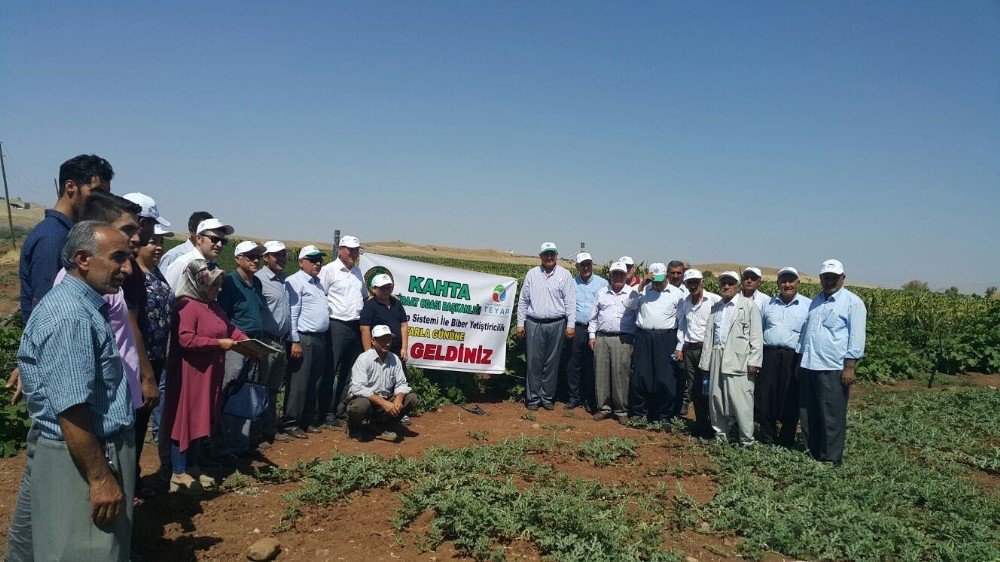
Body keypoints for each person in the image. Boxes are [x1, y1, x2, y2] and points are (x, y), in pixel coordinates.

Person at [7, 154, 113, 561]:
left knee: (39, 495)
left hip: (56, 363)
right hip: (61, 370)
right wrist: (32, 360)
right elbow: (53, 308)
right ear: (73, 186)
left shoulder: (65, 232)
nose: (100, 202)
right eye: (96, 191)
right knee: (50, 485)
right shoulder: (57, 238)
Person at [16, 221, 135, 560]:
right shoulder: (72, 317)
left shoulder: (82, 307)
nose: (125, 268)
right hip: (85, 457)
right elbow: (71, 409)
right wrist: (99, 478)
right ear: (83, 258)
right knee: (87, 551)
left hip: (85, 453)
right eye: (117, 258)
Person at [161, 260, 253, 491]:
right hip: (190, 373)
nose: (218, 290)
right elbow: (186, 339)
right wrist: (218, 343)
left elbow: (229, 328)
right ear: (198, 282)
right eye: (213, 285)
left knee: (200, 418)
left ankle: (192, 466)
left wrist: (246, 341)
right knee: (185, 417)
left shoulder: (212, 306)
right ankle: (178, 471)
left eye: (219, 285)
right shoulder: (186, 306)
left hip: (209, 372)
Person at [798, 259, 867, 465]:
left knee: (832, 415)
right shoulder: (816, 300)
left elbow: (856, 337)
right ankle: (814, 452)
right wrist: (800, 360)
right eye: (826, 277)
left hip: (833, 367)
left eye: (834, 278)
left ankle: (831, 458)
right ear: (820, 278)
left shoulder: (853, 302)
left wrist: (849, 367)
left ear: (842, 278)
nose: (829, 281)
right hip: (809, 364)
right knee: (809, 413)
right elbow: (807, 333)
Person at [216, 241, 268, 460]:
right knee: (228, 390)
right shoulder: (230, 282)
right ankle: (221, 445)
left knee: (246, 392)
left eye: (258, 256)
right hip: (237, 345)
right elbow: (223, 316)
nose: (255, 260)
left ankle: (240, 444)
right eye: (250, 256)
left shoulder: (256, 283)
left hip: (253, 343)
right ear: (237, 259)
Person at [699, 271, 763, 447]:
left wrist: (754, 361)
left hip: (739, 358)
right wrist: (705, 363)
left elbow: (756, 336)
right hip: (716, 356)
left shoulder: (748, 306)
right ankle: (721, 436)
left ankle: (746, 440)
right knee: (716, 398)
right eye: (723, 283)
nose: (726, 286)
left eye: (730, 283)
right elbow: (708, 337)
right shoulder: (716, 307)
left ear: (738, 285)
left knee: (741, 401)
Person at [516, 242, 576, 411]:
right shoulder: (532, 274)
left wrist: (570, 325)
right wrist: (520, 323)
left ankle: (547, 397)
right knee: (534, 362)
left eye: (552, 254)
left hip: (557, 323)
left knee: (552, 362)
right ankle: (533, 398)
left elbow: (570, 302)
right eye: (546, 254)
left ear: (556, 256)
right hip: (534, 322)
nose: (549, 257)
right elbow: (523, 300)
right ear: (540, 256)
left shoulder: (565, 275)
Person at [758, 267, 811, 447]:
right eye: (783, 281)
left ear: (797, 283)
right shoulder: (768, 304)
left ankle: (787, 439)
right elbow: (759, 330)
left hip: (793, 356)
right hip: (770, 354)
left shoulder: (808, 305)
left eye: (791, 281)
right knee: (766, 397)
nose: (787, 284)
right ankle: (768, 438)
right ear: (778, 283)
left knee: (790, 397)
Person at [282, 245, 330, 438]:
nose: (318, 263)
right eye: (313, 259)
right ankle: (291, 422)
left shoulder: (317, 283)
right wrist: (294, 340)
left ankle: (306, 420)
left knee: (314, 382)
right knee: (299, 383)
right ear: (301, 262)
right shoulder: (294, 281)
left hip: (320, 338)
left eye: (320, 260)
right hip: (304, 337)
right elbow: (293, 313)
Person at [318, 235, 367, 425]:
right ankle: (325, 411)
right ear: (340, 250)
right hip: (336, 324)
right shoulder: (329, 270)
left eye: (356, 250)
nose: (354, 253)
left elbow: (364, 297)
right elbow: (320, 294)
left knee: (349, 371)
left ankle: (341, 409)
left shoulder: (357, 272)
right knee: (330, 369)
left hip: (355, 326)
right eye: (350, 250)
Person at [630, 262, 685, 423]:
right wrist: (639, 287)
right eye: (654, 280)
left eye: (660, 279)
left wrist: (679, 346)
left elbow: (682, 323)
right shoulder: (643, 291)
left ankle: (663, 415)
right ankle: (640, 413)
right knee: (641, 376)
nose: (657, 283)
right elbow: (629, 306)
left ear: (666, 276)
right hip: (644, 336)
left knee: (665, 378)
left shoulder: (677, 294)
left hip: (666, 337)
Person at [345, 325, 419, 441]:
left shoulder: (394, 359)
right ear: (373, 341)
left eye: (389, 339)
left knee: (411, 399)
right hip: (367, 400)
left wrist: (398, 400)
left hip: (384, 400)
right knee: (360, 406)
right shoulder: (364, 359)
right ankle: (353, 427)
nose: (387, 343)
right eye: (383, 340)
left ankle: (383, 424)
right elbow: (358, 388)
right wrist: (384, 403)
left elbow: (402, 384)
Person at [137, 225, 175, 445]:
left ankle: (134, 474)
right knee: (134, 417)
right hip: (140, 356)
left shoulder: (155, 271)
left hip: (158, 354)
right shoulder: (132, 273)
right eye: (153, 242)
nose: (159, 247)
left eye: (161, 242)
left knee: (142, 418)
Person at [588, 261, 638, 424]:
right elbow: (594, 316)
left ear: (626, 276)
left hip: (623, 339)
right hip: (602, 338)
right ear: (610, 276)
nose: (617, 276)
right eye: (614, 274)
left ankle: (622, 411)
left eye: (621, 274)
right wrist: (591, 335)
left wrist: (634, 341)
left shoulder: (632, 294)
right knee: (601, 374)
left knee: (620, 374)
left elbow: (638, 318)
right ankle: (603, 408)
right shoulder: (602, 292)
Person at [253, 241, 292, 446]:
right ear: (266, 258)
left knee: (273, 389)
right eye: (277, 255)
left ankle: (269, 431)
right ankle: (256, 433)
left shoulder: (283, 280)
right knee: (260, 388)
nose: (282, 259)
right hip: (266, 341)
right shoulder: (259, 279)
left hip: (281, 342)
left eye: (284, 255)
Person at [675, 269, 721, 437]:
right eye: (689, 283)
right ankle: (701, 423)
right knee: (694, 388)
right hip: (690, 350)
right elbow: (682, 326)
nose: (693, 285)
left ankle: (714, 426)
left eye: (696, 282)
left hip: (706, 350)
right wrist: (679, 348)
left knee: (708, 388)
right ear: (685, 284)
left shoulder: (714, 300)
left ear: (702, 282)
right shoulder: (685, 302)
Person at [561, 252, 607, 410]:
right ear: (577, 266)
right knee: (573, 364)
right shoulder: (571, 283)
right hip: (576, 328)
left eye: (588, 264)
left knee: (591, 365)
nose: (586, 267)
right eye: (582, 264)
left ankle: (589, 399)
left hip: (594, 330)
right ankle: (574, 397)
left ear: (592, 264)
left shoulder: (602, 283)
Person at [162, 217, 234, 288]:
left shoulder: (214, 266)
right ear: (198, 239)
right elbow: (167, 294)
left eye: (223, 241)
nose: (219, 245)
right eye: (214, 239)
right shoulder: (183, 264)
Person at [360, 273, 409, 362]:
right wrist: (368, 354)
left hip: (397, 353)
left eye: (389, 287)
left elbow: (404, 325)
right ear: (374, 289)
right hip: (378, 352)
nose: (387, 291)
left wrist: (404, 348)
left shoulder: (397, 303)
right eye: (383, 288)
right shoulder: (370, 305)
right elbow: (364, 329)